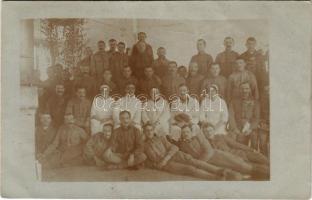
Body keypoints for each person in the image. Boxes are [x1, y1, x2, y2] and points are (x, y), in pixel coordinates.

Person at [142, 122, 241, 180]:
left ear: (153, 130)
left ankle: (224, 172)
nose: (149, 132)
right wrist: (157, 165)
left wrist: (166, 158)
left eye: (151, 130)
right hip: (167, 165)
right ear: (144, 132)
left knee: (196, 162)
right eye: (147, 130)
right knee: (190, 169)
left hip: (176, 155)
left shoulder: (161, 138)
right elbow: (146, 161)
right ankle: (215, 177)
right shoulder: (143, 145)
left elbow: (174, 147)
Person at [179, 125, 269, 179]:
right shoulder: (183, 145)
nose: (186, 134)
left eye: (187, 131)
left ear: (191, 132)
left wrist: (251, 149)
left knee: (247, 166)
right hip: (217, 162)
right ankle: (265, 174)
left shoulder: (202, 137)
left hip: (229, 155)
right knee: (243, 170)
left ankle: (270, 174)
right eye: (183, 133)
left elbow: (235, 145)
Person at [201, 123, 269, 165]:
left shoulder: (221, 136)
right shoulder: (205, 144)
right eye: (206, 131)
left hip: (240, 154)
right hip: (230, 161)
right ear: (203, 133)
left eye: (210, 130)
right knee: (259, 168)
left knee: (261, 158)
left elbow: (236, 144)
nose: (209, 133)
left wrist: (251, 149)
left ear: (214, 130)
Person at [228, 82, 260, 150]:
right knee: (235, 139)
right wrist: (234, 128)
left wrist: (250, 128)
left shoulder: (255, 102)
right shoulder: (233, 101)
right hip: (237, 126)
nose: (244, 91)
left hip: (250, 126)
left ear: (250, 90)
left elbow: (256, 118)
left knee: (254, 138)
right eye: (242, 89)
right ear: (239, 90)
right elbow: (231, 116)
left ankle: (254, 156)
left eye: (246, 88)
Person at [259, 83, 270, 157]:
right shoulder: (263, 99)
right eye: (266, 90)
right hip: (264, 123)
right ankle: (264, 159)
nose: (268, 92)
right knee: (262, 142)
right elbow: (259, 114)